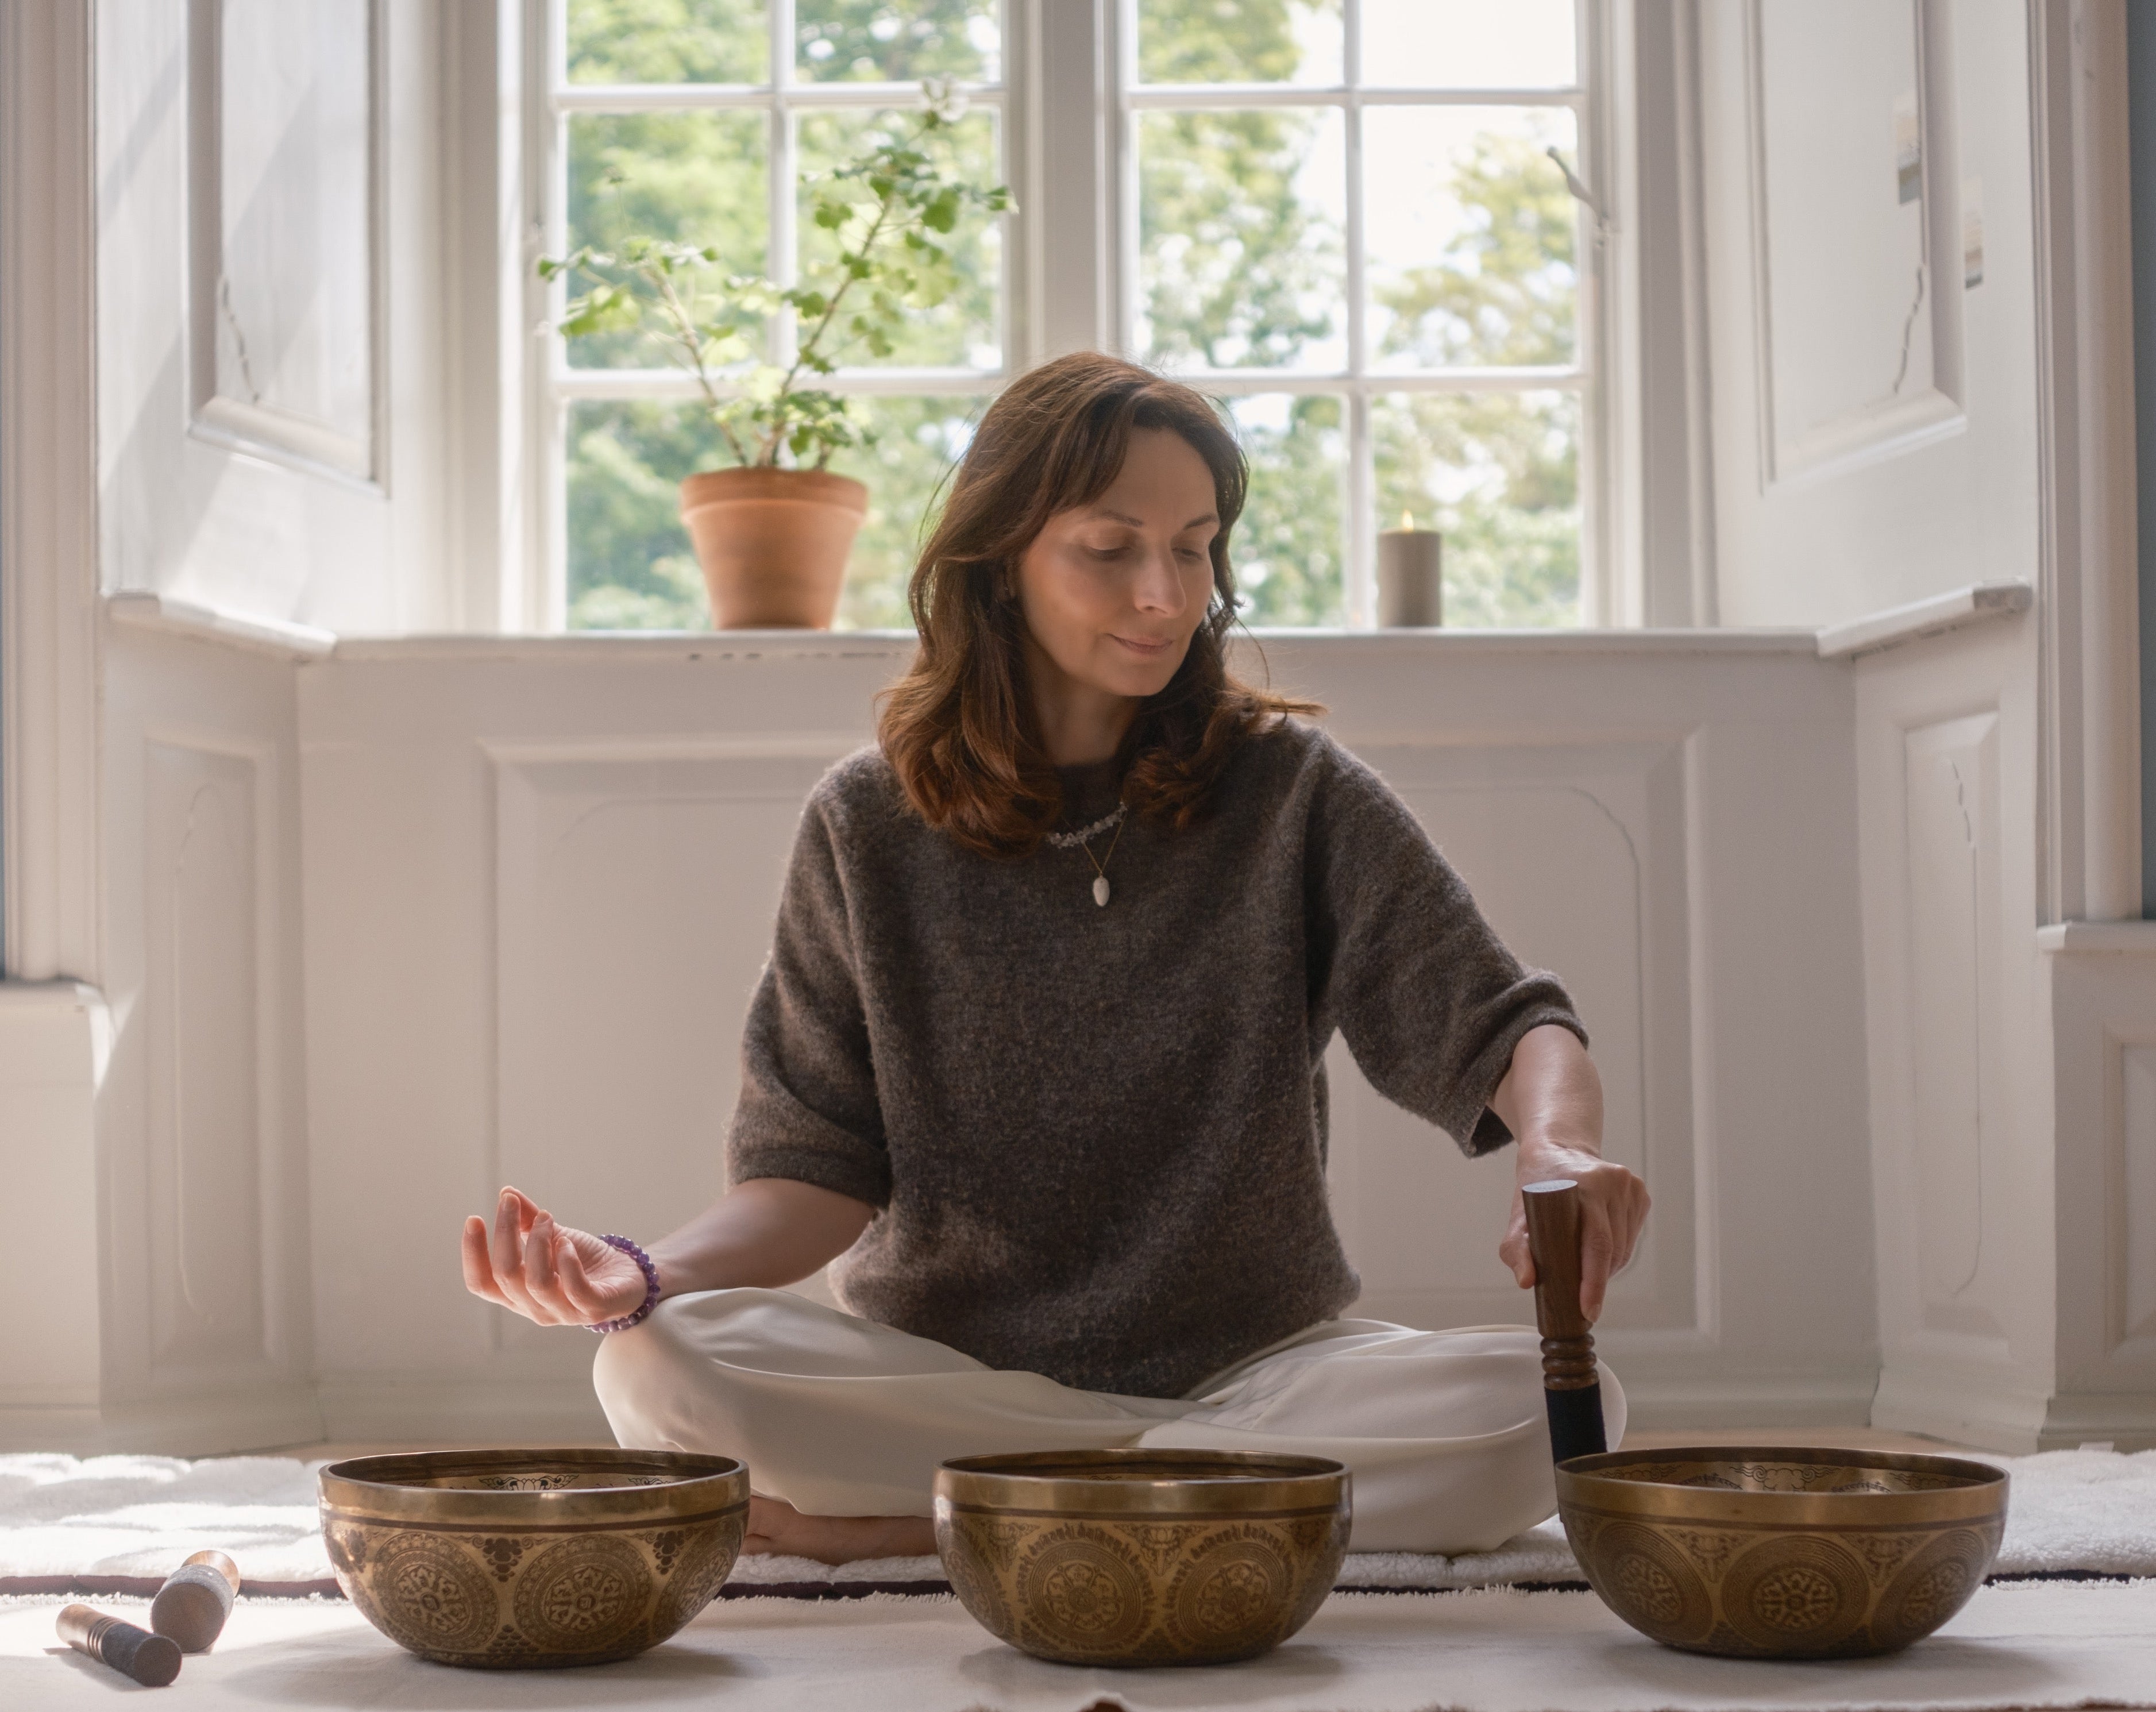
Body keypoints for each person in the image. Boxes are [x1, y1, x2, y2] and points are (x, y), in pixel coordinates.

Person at [462, 353, 1649, 1561]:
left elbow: (1508, 1024)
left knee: (1554, 1406)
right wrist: (640, 1272)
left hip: (1256, 1379)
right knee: (659, 1359)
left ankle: (930, 1526)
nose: (1162, 591)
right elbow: (807, 1169)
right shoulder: (865, 825)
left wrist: (1557, 1144)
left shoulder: (1289, 793)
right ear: (999, 561)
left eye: (1192, 546)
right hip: (941, 1378)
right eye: (1110, 546)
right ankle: (1179, 1514)